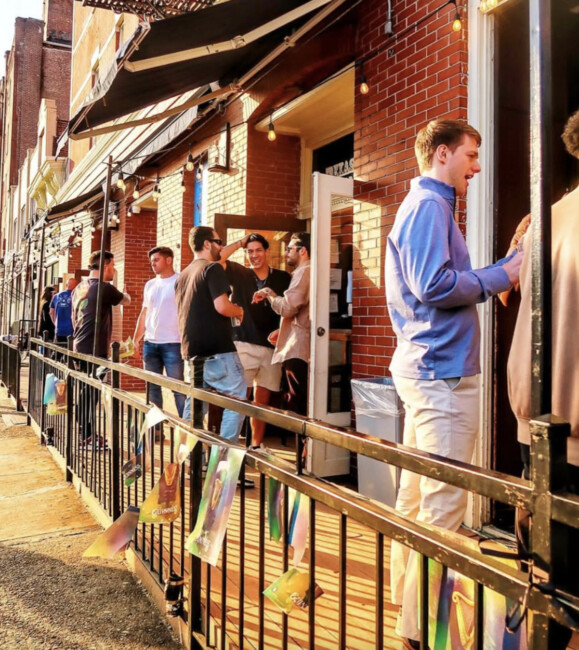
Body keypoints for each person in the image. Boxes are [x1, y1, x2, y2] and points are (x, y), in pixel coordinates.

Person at [384, 119, 523, 649]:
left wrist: (496, 270)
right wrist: (503, 275)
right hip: (441, 375)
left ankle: (408, 611)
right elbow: (434, 285)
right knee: (443, 507)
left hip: (427, 369)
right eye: (472, 154)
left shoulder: (429, 206)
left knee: (417, 500)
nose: (478, 166)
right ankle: (424, 630)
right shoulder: (429, 206)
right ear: (443, 154)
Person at [507, 109, 579, 648]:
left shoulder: (544, 221)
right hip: (569, 424)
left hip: (539, 417)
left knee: (551, 577)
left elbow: (510, 296)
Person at [175, 226, 246, 442]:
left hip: (192, 353)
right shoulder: (212, 269)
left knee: (195, 405)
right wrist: (239, 310)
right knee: (237, 401)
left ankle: (188, 458)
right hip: (218, 351)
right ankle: (223, 463)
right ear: (207, 244)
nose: (221, 246)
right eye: (219, 241)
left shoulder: (183, 275)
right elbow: (222, 307)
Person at [220, 233, 291, 447]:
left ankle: (255, 446)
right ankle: (229, 448)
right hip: (244, 344)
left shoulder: (283, 277)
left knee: (262, 403)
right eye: (249, 251)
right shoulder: (240, 273)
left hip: (272, 347)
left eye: (258, 250)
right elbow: (218, 259)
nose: (254, 255)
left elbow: (291, 309)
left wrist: (282, 331)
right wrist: (241, 242)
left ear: (268, 251)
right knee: (240, 398)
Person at [72, 250, 130, 445]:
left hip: (80, 344)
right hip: (95, 348)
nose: (114, 270)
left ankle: (84, 433)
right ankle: (86, 436)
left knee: (85, 390)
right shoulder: (103, 287)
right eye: (113, 266)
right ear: (105, 266)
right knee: (92, 392)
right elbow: (126, 300)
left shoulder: (80, 286)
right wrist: (124, 290)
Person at [253, 232, 311, 417]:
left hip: (299, 347)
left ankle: (304, 446)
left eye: (289, 249)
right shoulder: (309, 271)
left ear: (302, 251)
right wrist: (284, 330)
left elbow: (288, 308)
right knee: (297, 399)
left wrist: (270, 294)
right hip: (299, 342)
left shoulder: (303, 272)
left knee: (296, 402)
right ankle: (304, 446)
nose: (285, 253)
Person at [133, 246, 185, 417]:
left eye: (156, 260)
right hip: (150, 344)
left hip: (173, 343)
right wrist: (136, 340)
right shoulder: (150, 284)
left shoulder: (180, 281)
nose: (152, 264)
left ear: (169, 260)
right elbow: (144, 313)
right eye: (151, 261)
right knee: (152, 388)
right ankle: (155, 431)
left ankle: (187, 431)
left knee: (178, 389)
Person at [50, 277, 78, 346]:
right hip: (72, 330)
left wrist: (55, 324)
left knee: (58, 352)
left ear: (66, 285)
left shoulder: (56, 296)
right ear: (76, 286)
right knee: (71, 353)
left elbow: (51, 312)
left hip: (59, 330)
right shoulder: (76, 296)